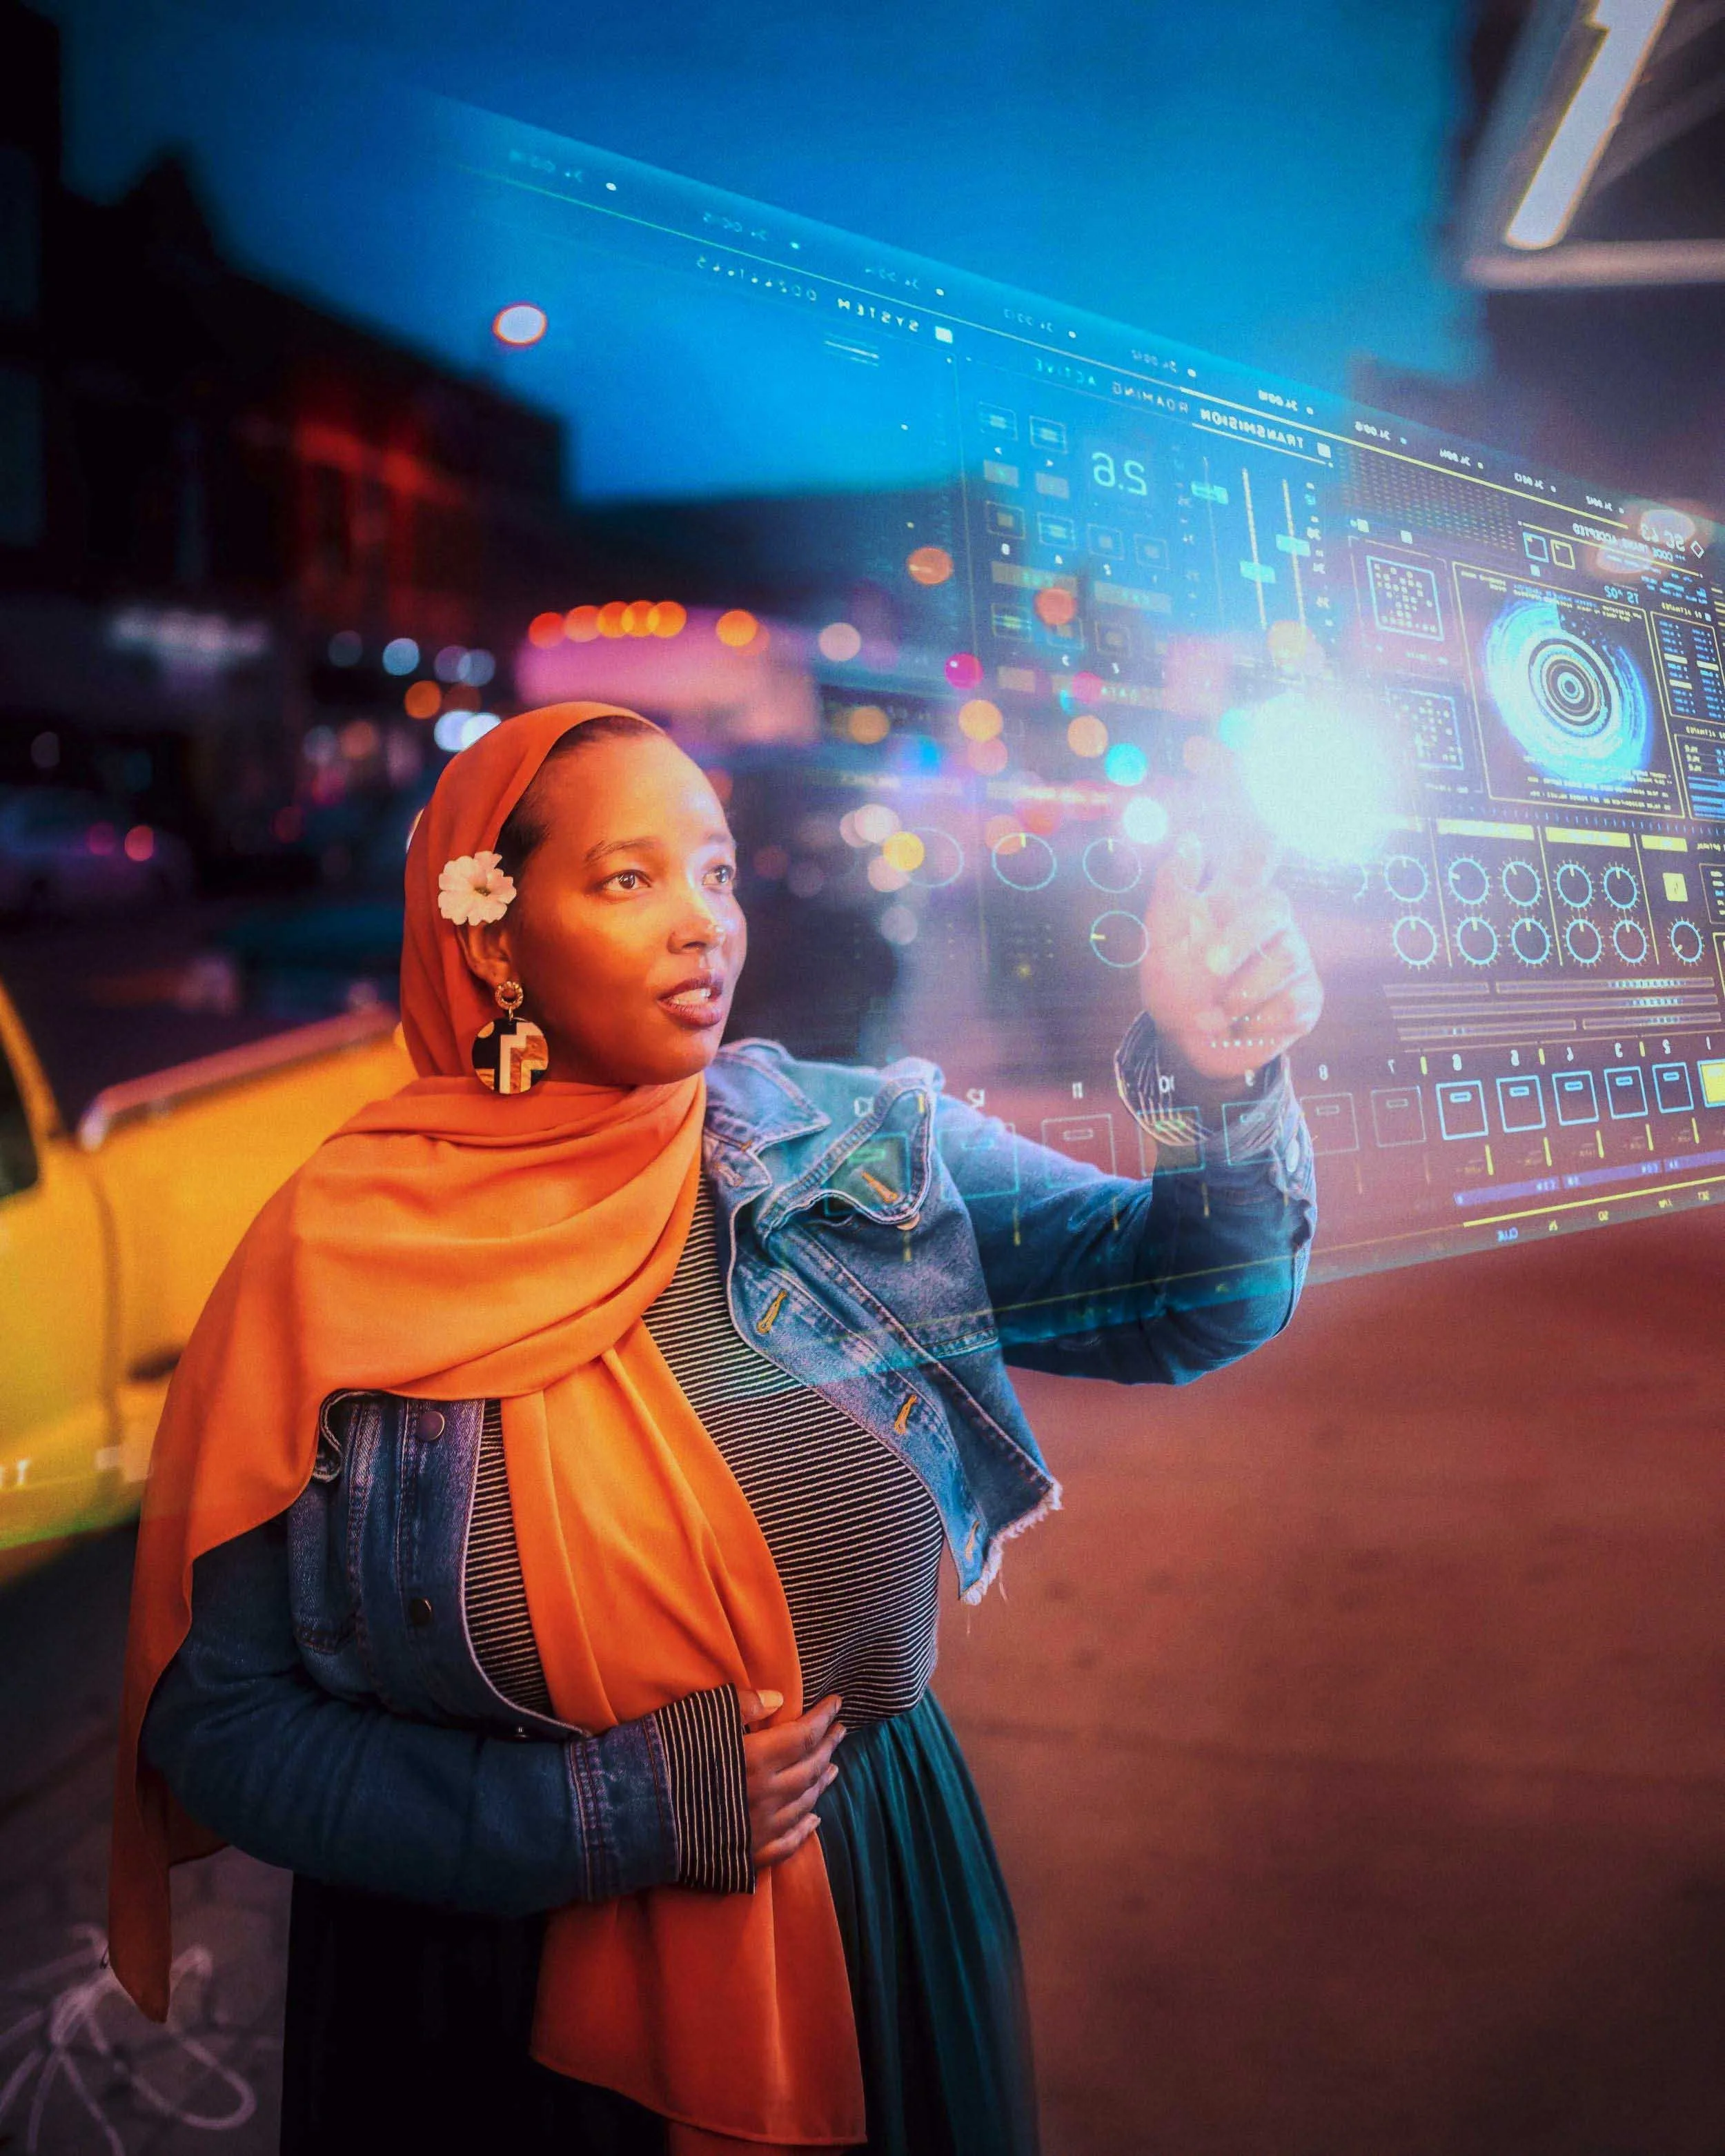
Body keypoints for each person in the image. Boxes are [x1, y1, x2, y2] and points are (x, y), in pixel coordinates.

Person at [110, 701, 1321, 2156]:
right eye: (629, 880)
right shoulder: (334, 1257)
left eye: (718, 874)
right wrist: (593, 1812)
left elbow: (1186, 1292)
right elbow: (219, 1721)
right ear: (492, 937)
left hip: (872, 1895)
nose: (701, 925)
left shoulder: (841, 1151)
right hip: (468, 2004)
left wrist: (1217, 1087)